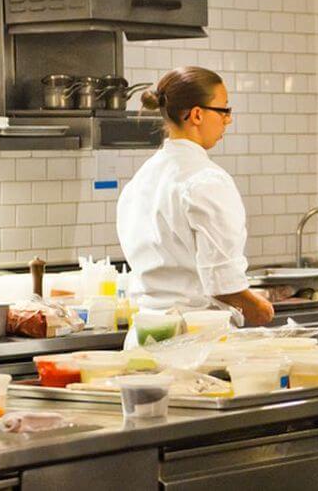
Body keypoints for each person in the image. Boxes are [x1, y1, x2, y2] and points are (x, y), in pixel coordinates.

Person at [117, 66, 275, 346]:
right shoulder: (207, 180)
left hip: (145, 334)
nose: (228, 120)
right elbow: (223, 283)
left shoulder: (142, 178)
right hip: (196, 338)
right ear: (197, 114)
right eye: (224, 110)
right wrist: (258, 306)